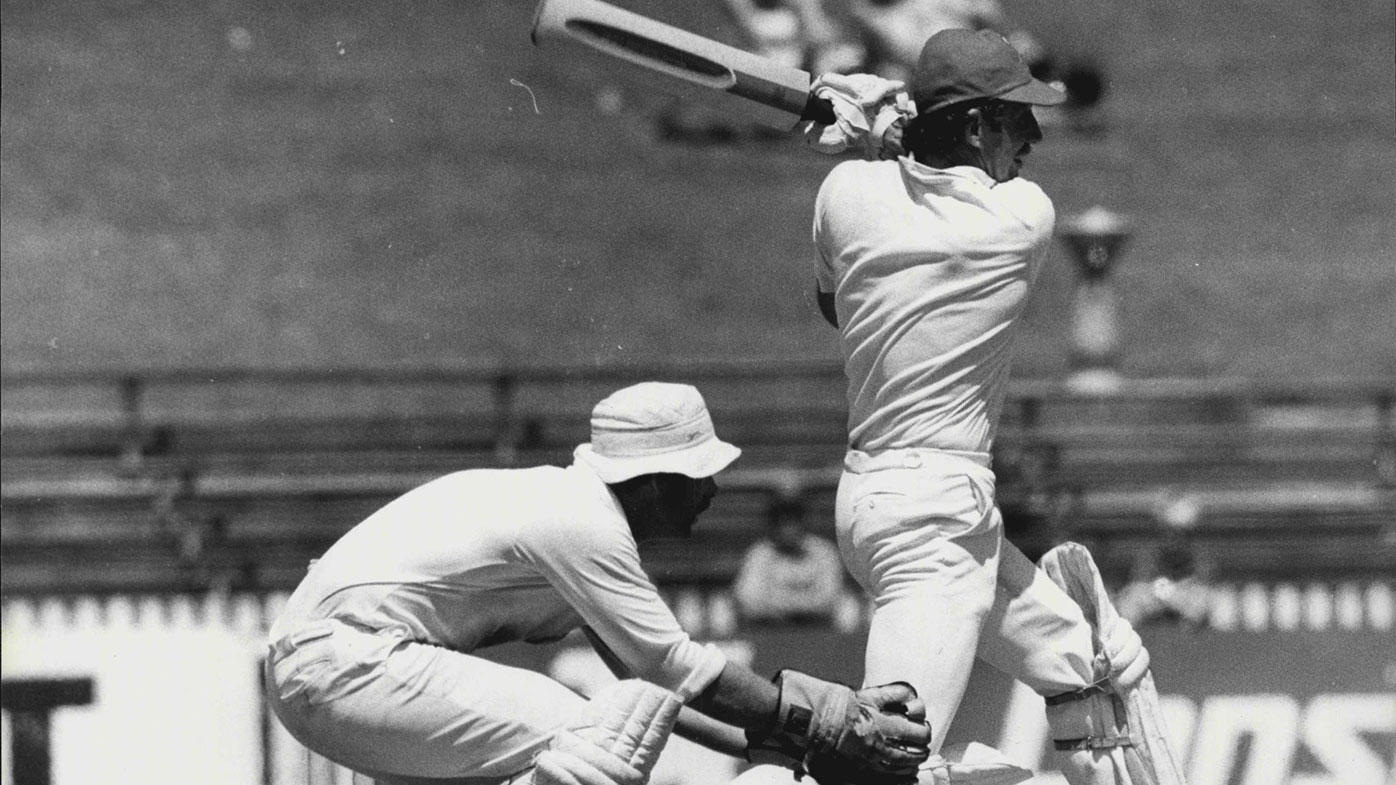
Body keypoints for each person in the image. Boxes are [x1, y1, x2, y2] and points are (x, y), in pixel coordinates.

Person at [805, 30, 1175, 783]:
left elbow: (832, 304)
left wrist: (880, 137)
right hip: (930, 525)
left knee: (1087, 672)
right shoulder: (1020, 220)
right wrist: (890, 126)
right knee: (891, 760)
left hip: (902, 504)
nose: (1031, 138)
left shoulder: (843, 194)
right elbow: (955, 194)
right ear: (975, 126)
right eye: (1015, 119)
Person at [263, 382, 931, 785]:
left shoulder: (573, 512)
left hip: (325, 670)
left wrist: (792, 748)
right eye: (701, 473)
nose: (714, 489)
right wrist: (832, 719)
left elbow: (657, 690)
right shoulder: (582, 522)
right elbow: (677, 665)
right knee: (583, 734)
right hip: (342, 661)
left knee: (593, 734)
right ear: (655, 479)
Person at [732, 497, 848, 625]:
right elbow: (749, 600)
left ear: (804, 524)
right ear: (773, 527)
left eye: (793, 524)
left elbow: (830, 597)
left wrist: (787, 606)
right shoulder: (759, 553)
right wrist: (796, 606)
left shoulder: (824, 551)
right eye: (783, 524)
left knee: (848, 607)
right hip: (770, 624)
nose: (789, 530)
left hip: (817, 623)